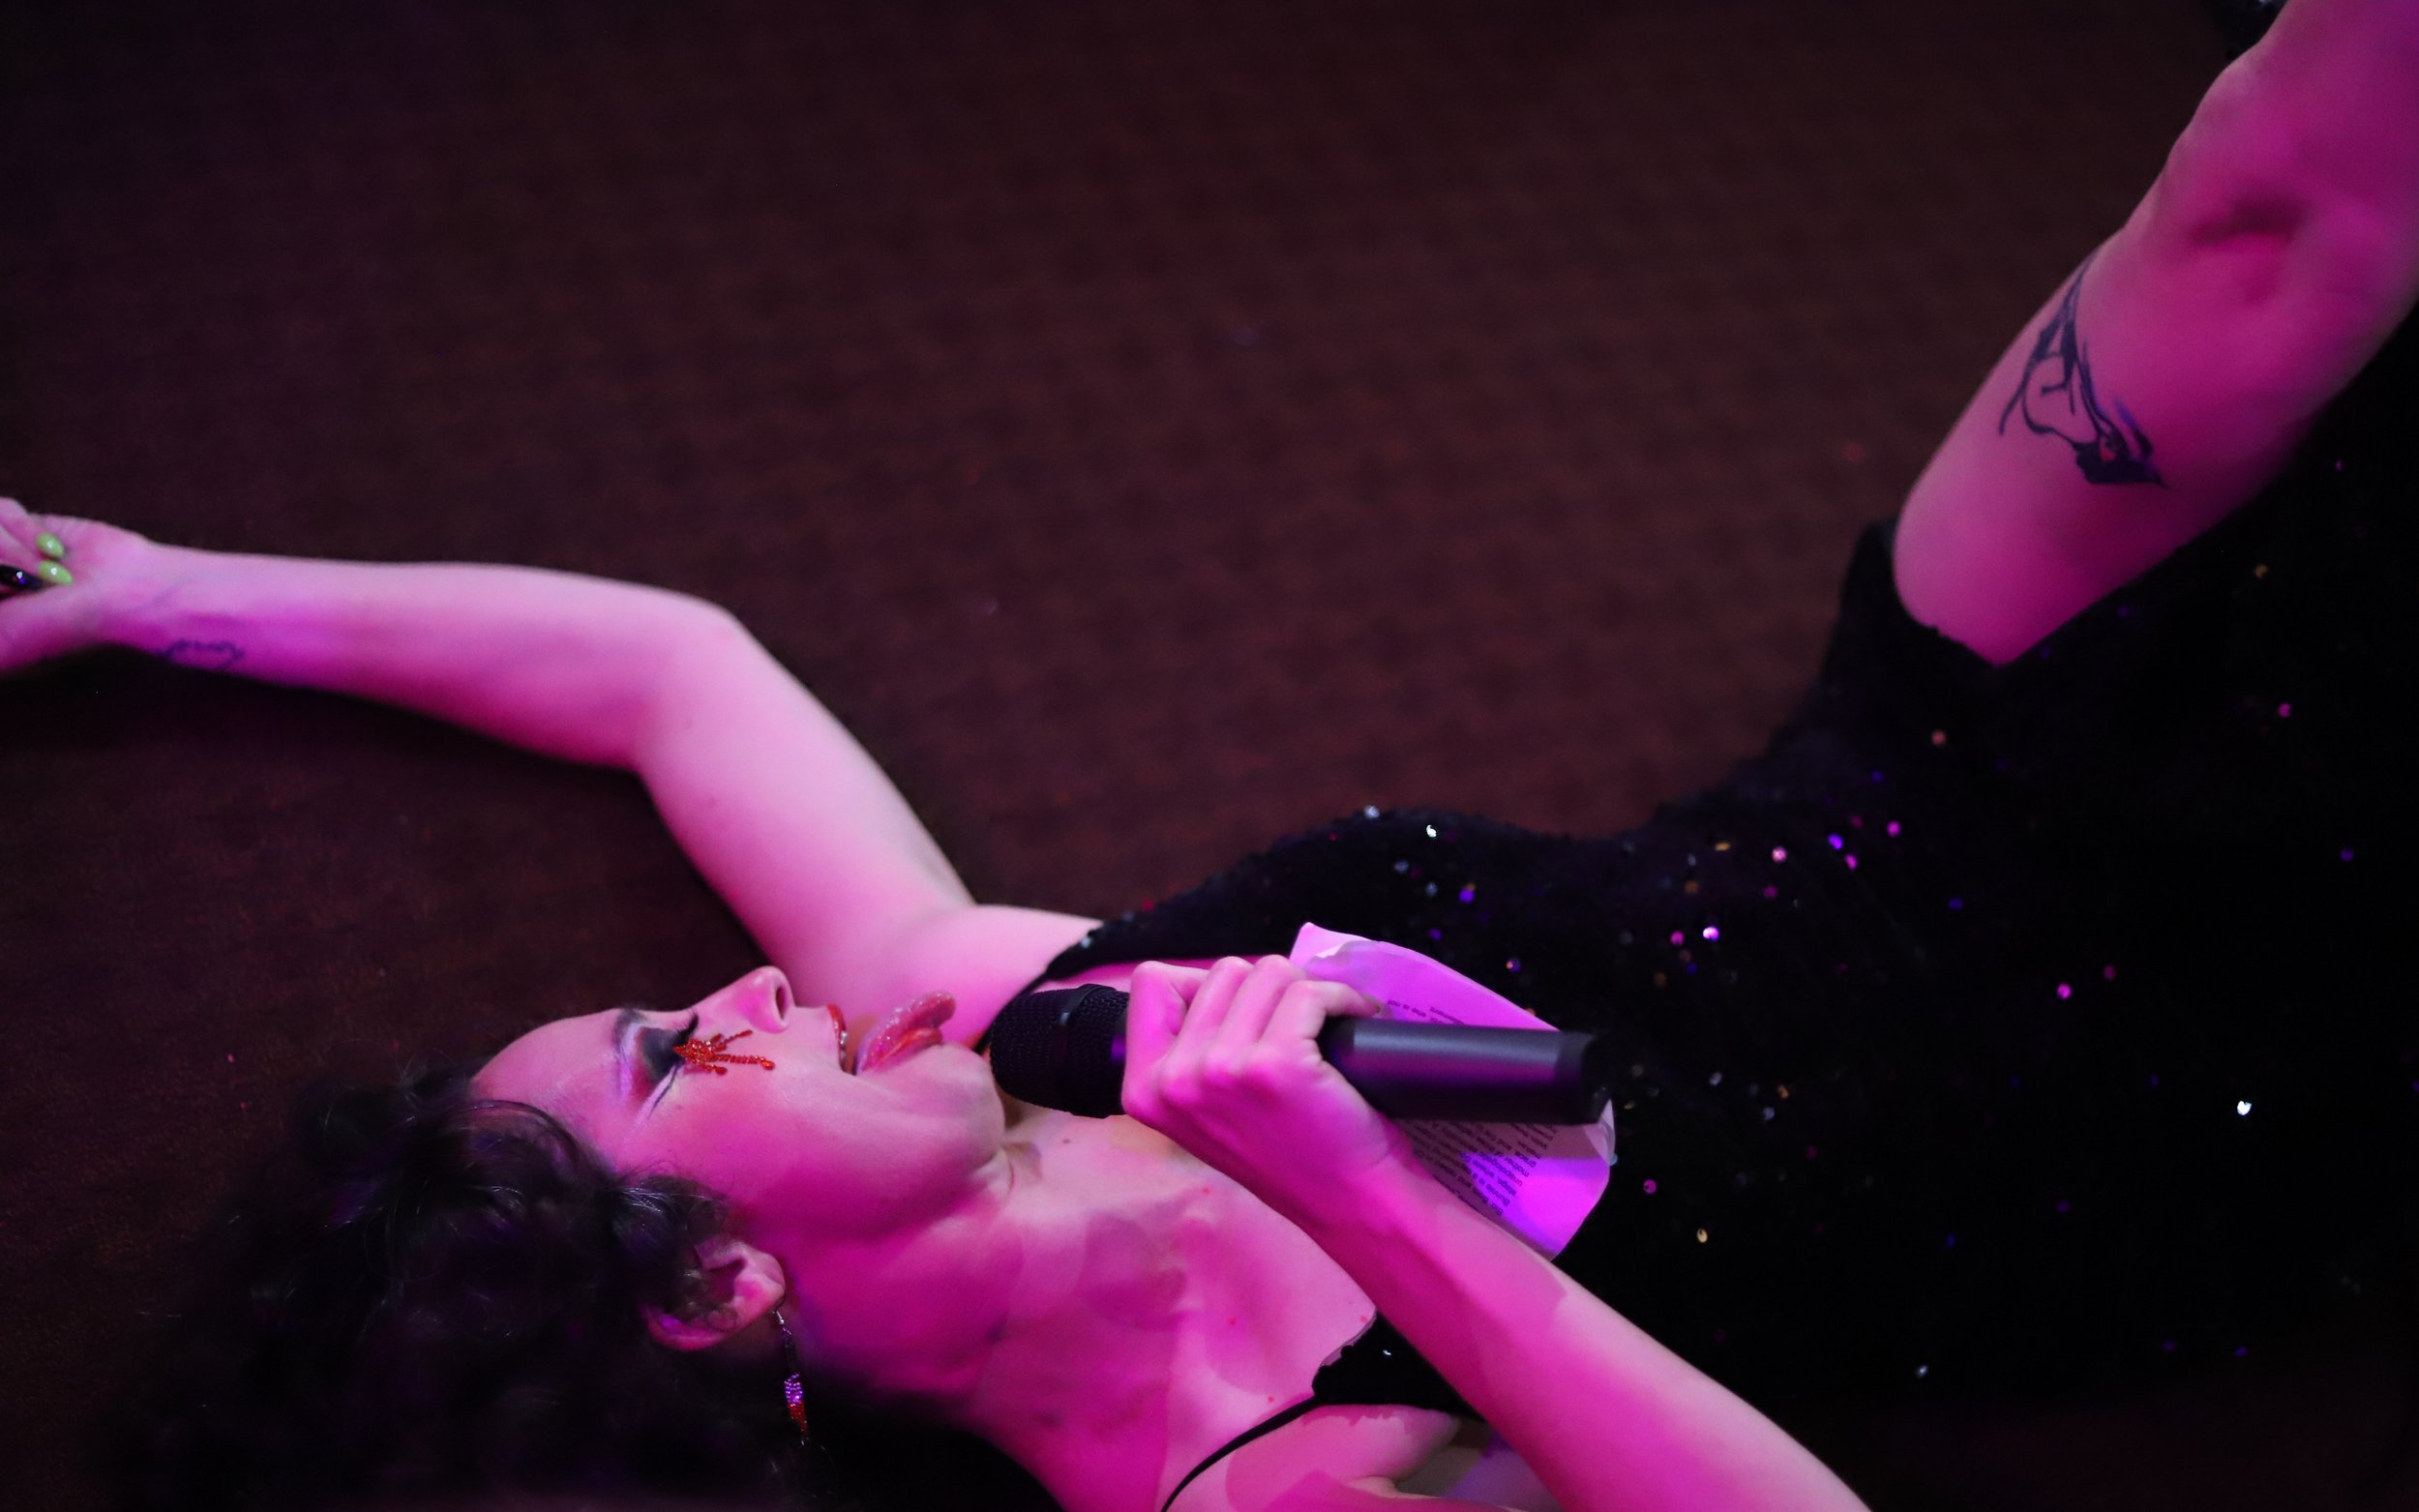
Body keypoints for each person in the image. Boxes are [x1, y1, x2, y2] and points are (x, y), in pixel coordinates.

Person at [5, 1, 2415, 1507]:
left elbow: (672, 673)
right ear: (713, 1291)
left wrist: (162, 588)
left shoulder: (996, 1012)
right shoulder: (1239, 1475)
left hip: (1886, 791)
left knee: (2257, 200)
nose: (743, 988)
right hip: (2178, 1093)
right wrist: (1375, 1203)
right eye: (671, 1046)